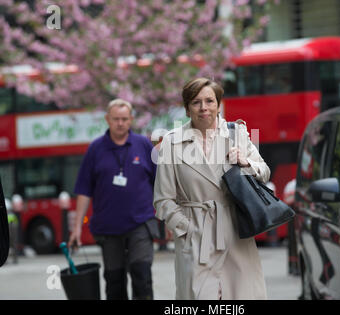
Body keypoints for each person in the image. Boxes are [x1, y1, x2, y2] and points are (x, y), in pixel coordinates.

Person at [153, 77, 270, 299]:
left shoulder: (237, 134)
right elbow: (162, 200)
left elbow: (264, 172)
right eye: (196, 102)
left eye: (210, 101)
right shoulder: (171, 143)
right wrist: (186, 228)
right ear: (187, 108)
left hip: (236, 231)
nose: (204, 108)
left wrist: (246, 162)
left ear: (218, 104)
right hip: (196, 234)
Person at [68, 98, 159, 300]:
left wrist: (167, 216)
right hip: (108, 228)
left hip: (140, 223)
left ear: (131, 120)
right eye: (116, 119)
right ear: (107, 119)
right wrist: (76, 228)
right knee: (114, 282)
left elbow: (161, 183)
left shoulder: (143, 144)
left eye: (125, 119)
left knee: (142, 275)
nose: (120, 123)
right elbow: (84, 190)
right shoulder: (95, 149)